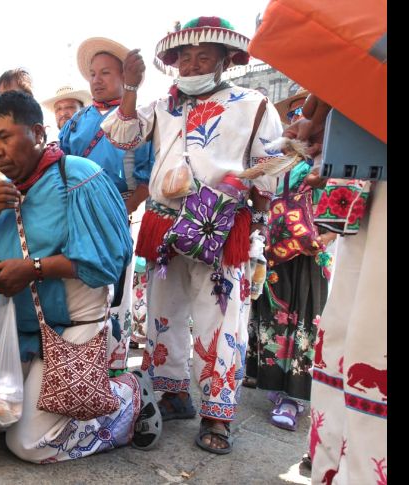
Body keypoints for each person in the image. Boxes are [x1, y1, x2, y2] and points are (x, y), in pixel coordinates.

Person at [0, 91, 162, 462]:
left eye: (6, 137)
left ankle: (125, 397)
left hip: (72, 329)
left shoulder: (78, 177)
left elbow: (109, 260)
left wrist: (33, 269)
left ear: (38, 134)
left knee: (27, 444)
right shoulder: (1, 191)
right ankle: (73, 395)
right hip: (20, 332)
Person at [102, 16, 286, 454]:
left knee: (219, 320)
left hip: (221, 224)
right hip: (165, 222)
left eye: (204, 57)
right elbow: (122, 134)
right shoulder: (163, 103)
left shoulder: (253, 102)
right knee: (164, 312)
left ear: (225, 61)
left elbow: (271, 168)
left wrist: (252, 204)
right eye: (185, 58)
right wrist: (130, 86)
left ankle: (218, 415)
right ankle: (174, 393)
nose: (192, 65)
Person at [250, 1, 386, 480]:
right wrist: (319, 118)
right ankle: (336, 457)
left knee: (360, 336)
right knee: (350, 333)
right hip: (346, 208)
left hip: (327, 237)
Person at [244, 90, 337, 432]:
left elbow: (342, 203)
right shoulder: (284, 157)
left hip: (311, 254)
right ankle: (268, 379)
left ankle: (294, 398)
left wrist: (326, 236)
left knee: (304, 321)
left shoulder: (333, 157)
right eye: (296, 120)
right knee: (272, 314)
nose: (299, 128)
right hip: (277, 249)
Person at [60, 37, 154, 374]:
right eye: (93, 74)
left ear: (124, 76)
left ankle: (112, 366)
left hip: (116, 216)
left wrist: (121, 210)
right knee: (77, 285)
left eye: (106, 73)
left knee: (116, 292)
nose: (97, 80)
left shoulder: (141, 120)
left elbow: (146, 179)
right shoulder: (78, 119)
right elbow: (59, 162)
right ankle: (76, 359)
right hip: (75, 216)